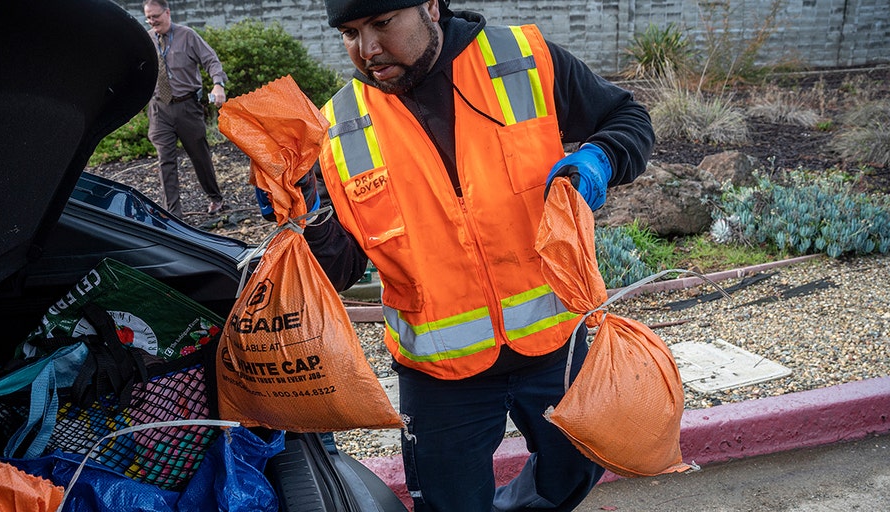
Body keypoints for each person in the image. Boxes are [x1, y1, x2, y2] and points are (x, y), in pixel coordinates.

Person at [256, 0, 655, 510]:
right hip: (440, 374)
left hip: (556, 342)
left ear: (429, 7)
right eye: (351, 32)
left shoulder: (520, 59)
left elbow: (627, 117)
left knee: (574, 471)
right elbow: (340, 267)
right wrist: (305, 212)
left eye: (381, 24)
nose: (368, 49)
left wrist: (602, 157)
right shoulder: (336, 127)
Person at [143, 0, 228, 217]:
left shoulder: (187, 36)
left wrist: (218, 84)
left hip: (187, 107)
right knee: (165, 160)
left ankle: (215, 198)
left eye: (155, 16)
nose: (152, 21)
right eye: (148, 17)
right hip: (159, 108)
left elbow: (211, 61)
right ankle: (173, 214)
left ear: (167, 12)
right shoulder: (146, 39)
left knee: (200, 156)